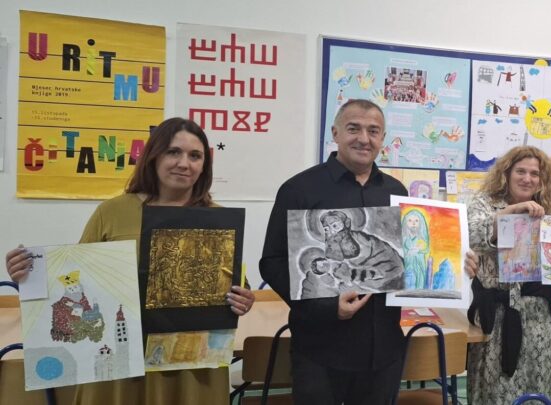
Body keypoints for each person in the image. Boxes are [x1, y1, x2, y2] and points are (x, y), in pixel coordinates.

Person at [5, 117, 255, 405]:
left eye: (195, 156)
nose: (184, 163)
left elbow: (233, 284)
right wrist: (28, 274)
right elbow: (76, 277)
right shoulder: (112, 212)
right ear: (154, 156)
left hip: (190, 362)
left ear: (204, 165)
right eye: (173, 152)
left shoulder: (218, 220)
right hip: (119, 359)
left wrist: (243, 298)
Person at [260, 99, 408, 405]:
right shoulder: (299, 189)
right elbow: (272, 262)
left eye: (373, 131)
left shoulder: (397, 192)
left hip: (383, 350)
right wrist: (326, 307)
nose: (364, 139)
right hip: (321, 349)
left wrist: (454, 264)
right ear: (335, 133)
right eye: (354, 129)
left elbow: (408, 259)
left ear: (382, 138)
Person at [462, 145, 551, 404]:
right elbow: (471, 236)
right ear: (507, 173)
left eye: (535, 174)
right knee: (496, 388)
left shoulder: (547, 208)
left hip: (539, 316)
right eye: (521, 171)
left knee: (540, 382)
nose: (527, 178)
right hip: (497, 315)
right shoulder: (485, 202)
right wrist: (507, 215)